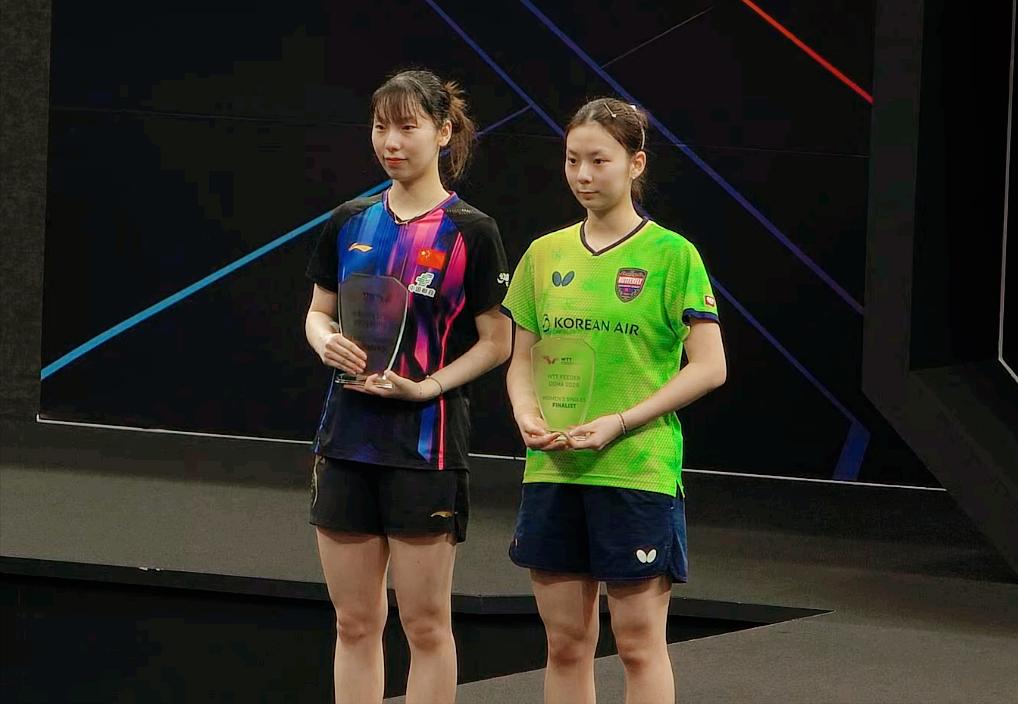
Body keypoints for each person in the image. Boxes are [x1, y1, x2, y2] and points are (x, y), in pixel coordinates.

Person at [501, 97, 727, 704]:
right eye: (572, 160)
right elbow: (521, 360)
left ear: (636, 163)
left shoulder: (672, 255)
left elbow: (710, 367)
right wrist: (526, 414)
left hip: (636, 470)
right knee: (565, 644)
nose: (583, 174)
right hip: (553, 468)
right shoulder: (543, 254)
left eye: (599, 160)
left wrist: (620, 422)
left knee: (637, 644)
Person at [304, 69, 511, 704]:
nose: (390, 141)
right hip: (346, 443)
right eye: (379, 127)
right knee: (353, 623)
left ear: (443, 133)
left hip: (426, 449)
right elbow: (317, 313)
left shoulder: (472, 230)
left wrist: (426, 389)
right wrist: (324, 339)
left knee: (425, 626)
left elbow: (497, 342)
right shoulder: (349, 221)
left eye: (407, 127)